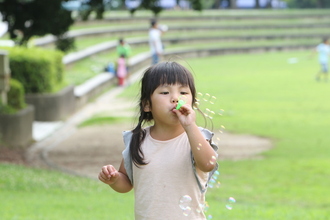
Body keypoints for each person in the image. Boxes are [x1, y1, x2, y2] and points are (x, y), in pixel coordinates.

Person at [98, 61, 219, 220]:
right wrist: (114, 179)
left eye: (183, 92)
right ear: (147, 105)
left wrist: (190, 125)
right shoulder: (138, 140)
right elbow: (127, 182)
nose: (175, 98)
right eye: (164, 92)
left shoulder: (196, 138)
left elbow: (208, 164)